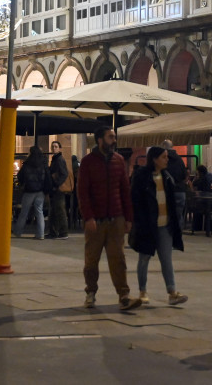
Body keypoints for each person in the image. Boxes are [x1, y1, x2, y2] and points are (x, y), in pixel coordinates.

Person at [78, 127, 141, 311]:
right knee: (91, 260)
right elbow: (83, 192)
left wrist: (128, 217)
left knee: (118, 259)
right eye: (110, 137)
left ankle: (124, 296)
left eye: (114, 137)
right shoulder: (88, 162)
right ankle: (90, 292)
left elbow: (125, 191)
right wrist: (88, 217)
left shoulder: (119, 161)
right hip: (95, 220)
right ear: (100, 140)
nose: (114, 140)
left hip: (116, 218)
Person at [131, 146, 188, 307]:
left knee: (166, 259)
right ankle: (142, 291)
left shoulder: (167, 177)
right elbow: (136, 200)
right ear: (154, 159)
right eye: (164, 157)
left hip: (165, 224)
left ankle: (172, 292)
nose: (167, 160)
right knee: (144, 258)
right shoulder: (142, 176)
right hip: (148, 225)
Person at [13, 146, 51, 240]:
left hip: (29, 190)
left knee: (24, 212)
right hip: (40, 191)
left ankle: (18, 232)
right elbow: (47, 177)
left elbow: (20, 175)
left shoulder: (27, 163)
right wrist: (47, 190)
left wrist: (23, 184)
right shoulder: (43, 163)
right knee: (39, 212)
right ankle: (40, 234)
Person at [162, 140, 188, 230]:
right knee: (178, 215)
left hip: (168, 191)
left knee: (166, 216)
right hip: (180, 191)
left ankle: (168, 237)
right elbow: (184, 175)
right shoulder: (180, 160)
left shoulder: (163, 160)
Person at [47, 141, 70, 239]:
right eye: (53, 147)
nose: (54, 148)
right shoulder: (55, 159)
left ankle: (63, 232)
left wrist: (56, 184)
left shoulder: (59, 159)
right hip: (55, 189)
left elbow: (64, 173)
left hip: (58, 189)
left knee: (59, 211)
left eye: (56, 146)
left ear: (60, 148)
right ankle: (53, 232)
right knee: (54, 211)